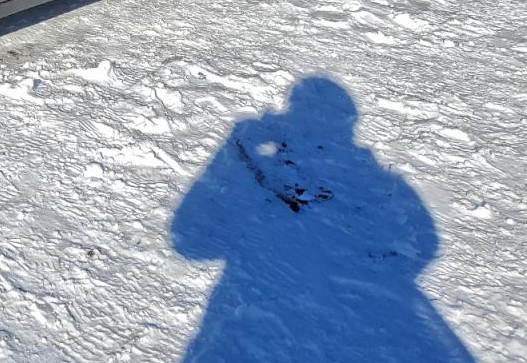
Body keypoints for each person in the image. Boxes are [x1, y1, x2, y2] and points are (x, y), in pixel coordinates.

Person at [171, 77, 473, 362]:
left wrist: (232, 150)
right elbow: (423, 247)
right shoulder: (378, 180)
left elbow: (190, 242)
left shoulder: (374, 181)